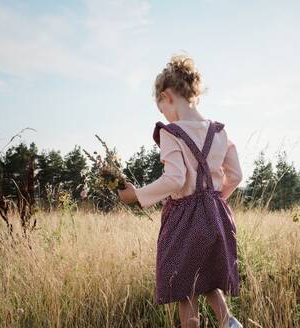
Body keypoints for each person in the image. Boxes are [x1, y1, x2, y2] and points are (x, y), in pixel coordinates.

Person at [118, 53, 243, 328]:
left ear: (167, 96)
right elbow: (236, 175)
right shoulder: (219, 132)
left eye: (160, 107)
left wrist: (137, 195)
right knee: (208, 276)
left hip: (184, 218)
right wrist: (215, 201)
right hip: (218, 216)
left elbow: (175, 179)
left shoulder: (171, 132)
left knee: (183, 285)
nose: (162, 113)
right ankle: (228, 322)